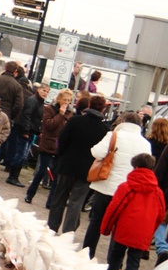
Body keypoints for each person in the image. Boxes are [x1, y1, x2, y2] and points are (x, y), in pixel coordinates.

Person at [81, 111, 151, 259]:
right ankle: (114, 263)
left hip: (106, 186)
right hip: (128, 190)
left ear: (122, 121)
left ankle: (87, 254)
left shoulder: (113, 135)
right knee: (119, 227)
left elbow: (96, 152)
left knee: (96, 221)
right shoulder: (145, 143)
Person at [101, 153, 165, 270]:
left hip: (124, 230)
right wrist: (150, 232)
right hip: (143, 233)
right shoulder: (158, 192)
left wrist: (106, 228)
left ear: (135, 167)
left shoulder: (126, 187)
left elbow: (114, 209)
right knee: (133, 263)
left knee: (115, 258)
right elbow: (160, 216)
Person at [48, 95, 110, 234]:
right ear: (103, 108)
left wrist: (61, 156)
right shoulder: (104, 129)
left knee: (59, 197)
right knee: (76, 202)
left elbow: (62, 139)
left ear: (89, 105)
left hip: (67, 165)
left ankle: (52, 228)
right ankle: (68, 233)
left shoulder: (75, 120)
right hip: (87, 170)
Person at [25, 88, 73, 205]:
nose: (66, 102)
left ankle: (50, 202)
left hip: (59, 147)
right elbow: (49, 125)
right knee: (41, 171)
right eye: (65, 100)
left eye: (69, 100)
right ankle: (30, 194)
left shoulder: (70, 113)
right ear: (59, 99)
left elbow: (67, 130)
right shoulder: (49, 109)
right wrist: (60, 115)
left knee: (56, 176)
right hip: (48, 143)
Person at [5, 82, 49, 187]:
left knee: (23, 154)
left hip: (31, 131)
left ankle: (15, 176)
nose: (45, 93)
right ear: (39, 90)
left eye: (47, 92)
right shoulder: (33, 101)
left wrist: (38, 131)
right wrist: (26, 131)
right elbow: (27, 115)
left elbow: (36, 118)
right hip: (25, 131)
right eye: (44, 90)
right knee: (21, 154)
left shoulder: (40, 102)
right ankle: (12, 176)